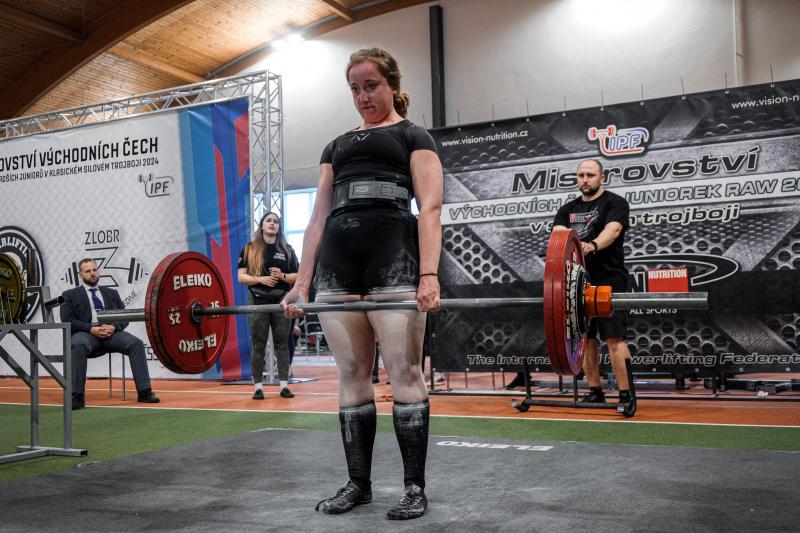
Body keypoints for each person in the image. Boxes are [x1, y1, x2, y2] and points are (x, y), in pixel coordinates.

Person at [282, 47, 443, 520]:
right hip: (338, 264)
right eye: (355, 88)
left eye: (371, 86)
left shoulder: (412, 135)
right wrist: (302, 284)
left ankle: (413, 488)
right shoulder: (335, 146)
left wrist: (428, 274)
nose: (363, 96)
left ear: (391, 85)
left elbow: (430, 208)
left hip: (394, 257)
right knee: (352, 371)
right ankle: (359, 484)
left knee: (404, 371)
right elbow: (317, 218)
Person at [552, 159, 634, 413]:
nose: (585, 179)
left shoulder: (615, 203)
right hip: (577, 282)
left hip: (610, 279)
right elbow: (558, 236)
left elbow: (614, 230)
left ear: (602, 177)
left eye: (590, 175)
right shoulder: (567, 210)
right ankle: (595, 391)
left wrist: (593, 245)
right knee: (585, 338)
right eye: (581, 175)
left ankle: (626, 394)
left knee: (613, 338)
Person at [60, 258, 159, 410]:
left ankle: (144, 391)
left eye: (94, 270)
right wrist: (91, 329)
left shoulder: (112, 293)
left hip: (111, 334)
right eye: (88, 271)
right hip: (86, 334)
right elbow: (67, 320)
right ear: (80, 274)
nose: (92, 273)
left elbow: (124, 317)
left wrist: (114, 327)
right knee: (78, 344)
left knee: (136, 344)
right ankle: (77, 396)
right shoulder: (69, 295)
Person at [238, 212, 299, 399]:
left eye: (276, 221)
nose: (272, 224)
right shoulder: (249, 249)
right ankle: (258, 388)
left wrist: (282, 276)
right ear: (262, 225)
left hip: (281, 300)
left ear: (279, 227)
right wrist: (261, 279)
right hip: (257, 299)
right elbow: (241, 277)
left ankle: (284, 386)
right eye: (269, 220)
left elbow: (297, 277)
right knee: (258, 344)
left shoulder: (287, 250)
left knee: (282, 343)